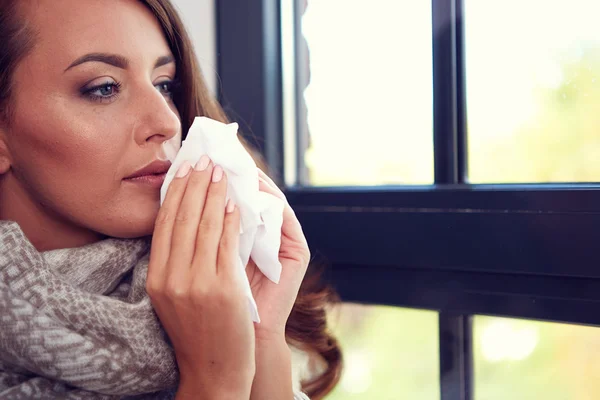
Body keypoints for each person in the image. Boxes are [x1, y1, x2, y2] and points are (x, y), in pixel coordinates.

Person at [0, 0, 342, 398]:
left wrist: (260, 338)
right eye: (104, 88)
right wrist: (214, 379)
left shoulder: (232, 283)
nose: (167, 121)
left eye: (164, 85)